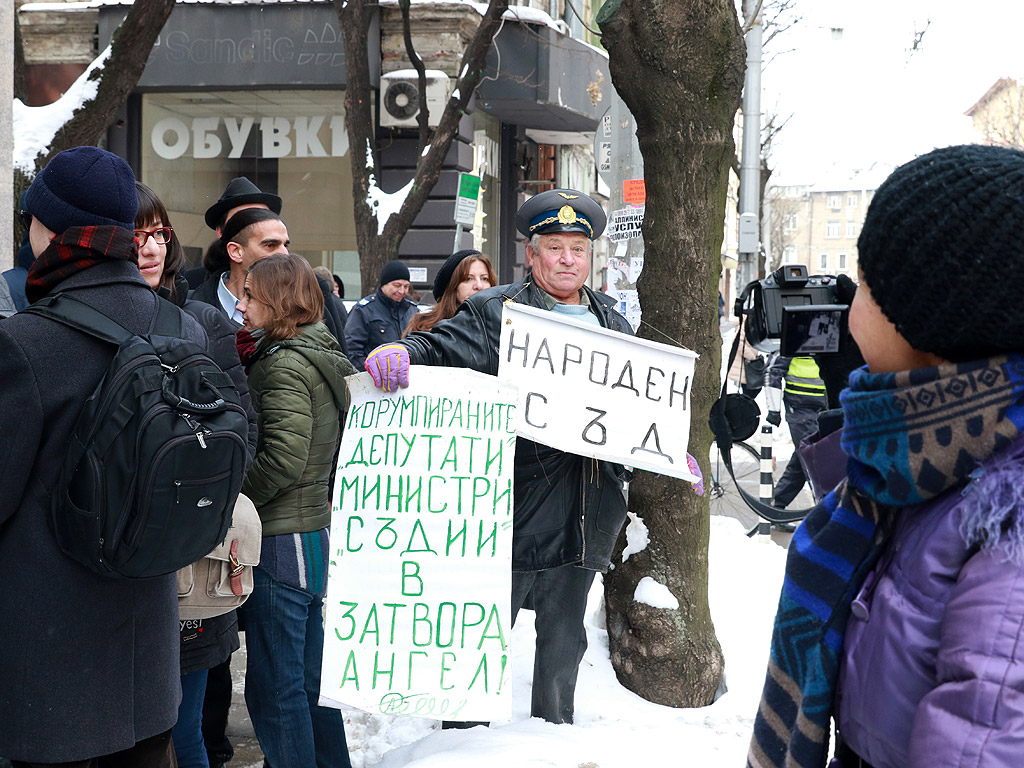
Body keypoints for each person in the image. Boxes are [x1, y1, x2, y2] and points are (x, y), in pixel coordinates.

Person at [747, 144, 1024, 768]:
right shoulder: (929, 454)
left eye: (866, 283)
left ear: (931, 324)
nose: (847, 304)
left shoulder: (1008, 525)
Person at [361, 188, 632, 725]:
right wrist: (396, 350)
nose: (566, 259)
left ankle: (554, 744)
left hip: (583, 512)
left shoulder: (613, 324)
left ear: (590, 256)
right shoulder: (494, 312)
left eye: (577, 249)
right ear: (532, 255)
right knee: (477, 642)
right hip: (505, 509)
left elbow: (637, 406)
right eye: (554, 247)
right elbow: (436, 347)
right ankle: (460, 747)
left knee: (563, 648)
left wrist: (668, 448)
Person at [0, 146, 206, 766]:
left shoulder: (26, 343)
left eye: (30, 220)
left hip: (50, 668)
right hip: (146, 658)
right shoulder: (180, 327)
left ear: (53, 230)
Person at [135, 181, 260, 768]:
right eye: (137, 233)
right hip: (110, 557)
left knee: (183, 728)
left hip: (189, 555)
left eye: (159, 232)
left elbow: (244, 431)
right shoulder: (70, 320)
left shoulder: (201, 319)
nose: (151, 246)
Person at [234, 253, 355, 768]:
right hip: (307, 535)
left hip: (283, 539)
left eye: (250, 296)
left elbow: (283, 457)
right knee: (307, 681)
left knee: (278, 688)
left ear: (277, 301)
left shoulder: (284, 362)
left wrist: (234, 500)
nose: (241, 306)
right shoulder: (313, 351)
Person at [190, 208, 290, 325]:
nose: (285, 254)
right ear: (236, 251)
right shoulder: (190, 309)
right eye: (270, 245)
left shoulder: (300, 308)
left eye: (285, 245)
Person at [185, 177, 283, 290]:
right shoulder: (190, 286)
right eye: (243, 219)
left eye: (263, 217)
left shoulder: (296, 291)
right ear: (220, 231)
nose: (255, 225)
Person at [765, 354, 828, 508]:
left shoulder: (825, 337)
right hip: (800, 410)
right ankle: (825, 513)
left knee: (803, 461)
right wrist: (773, 409)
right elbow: (772, 371)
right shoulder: (793, 340)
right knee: (814, 462)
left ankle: (776, 506)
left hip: (822, 408)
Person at [343, 259, 417, 370]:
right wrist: (372, 373)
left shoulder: (412, 310)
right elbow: (352, 350)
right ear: (384, 284)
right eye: (397, 285)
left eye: (406, 286)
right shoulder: (363, 310)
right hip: (374, 381)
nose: (402, 291)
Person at [403, 249, 496, 336]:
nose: (479, 286)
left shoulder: (502, 326)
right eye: (468, 279)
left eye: (484, 278)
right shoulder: (424, 329)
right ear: (453, 286)